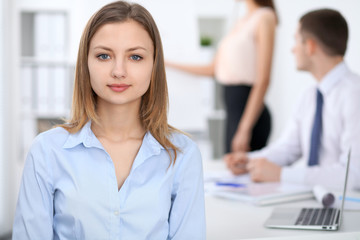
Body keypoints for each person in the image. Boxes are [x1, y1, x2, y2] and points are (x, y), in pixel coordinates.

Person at [12, 1, 206, 239]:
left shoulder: (182, 155)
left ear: (154, 65)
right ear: (86, 64)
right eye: (104, 56)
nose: (119, 71)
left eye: (135, 57)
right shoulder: (47, 151)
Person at [225, 8, 360, 190]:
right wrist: (249, 161)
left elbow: (353, 175)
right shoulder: (310, 96)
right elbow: (288, 147)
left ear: (310, 46)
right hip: (315, 199)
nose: (292, 49)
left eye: (296, 40)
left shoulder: (354, 94)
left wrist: (282, 174)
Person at [167, 0, 278, 153]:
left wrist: (245, 129)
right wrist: (166, 64)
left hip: (248, 115)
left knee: (243, 172)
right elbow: (212, 69)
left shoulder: (265, 17)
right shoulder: (241, 22)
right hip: (232, 112)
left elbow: (263, 79)